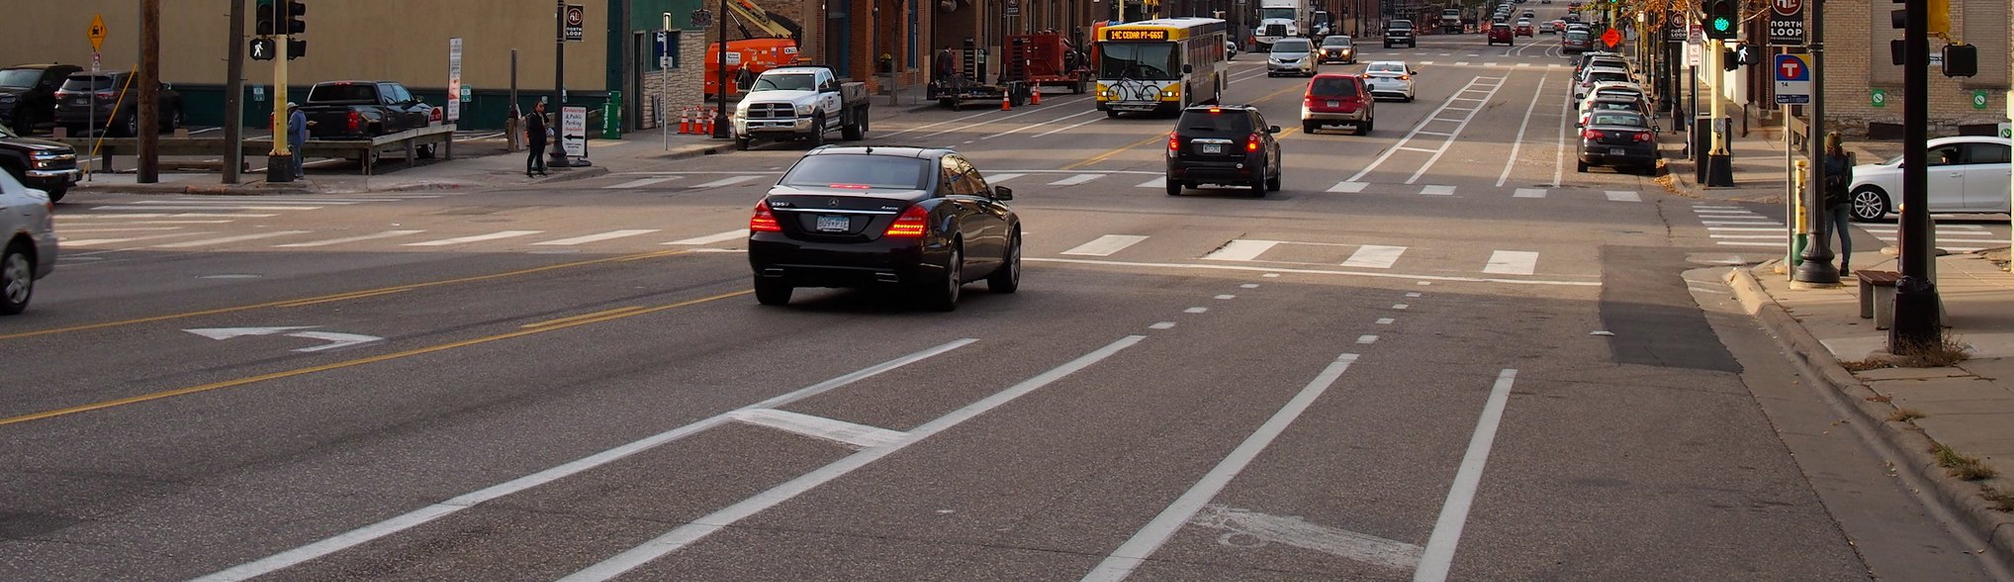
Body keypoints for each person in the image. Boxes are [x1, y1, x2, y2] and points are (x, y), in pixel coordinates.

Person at [1821, 131, 1853, 274]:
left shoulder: (1824, 159)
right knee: (1844, 232)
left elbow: (1819, 180)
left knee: (1827, 233)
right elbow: (1850, 179)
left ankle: (1826, 262)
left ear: (1827, 145)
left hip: (1828, 199)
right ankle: (1845, 265)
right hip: (1844, 199)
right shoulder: (1846, 159)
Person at [525, 101, 548, 177]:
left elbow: (547, 121)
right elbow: (531, 127)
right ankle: (528, 171)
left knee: (540, 154)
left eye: (543, 106)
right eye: (540, 106)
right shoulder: (533, 116)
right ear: (536, 107)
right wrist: (541, 126)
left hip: (542, 137)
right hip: (535, 137)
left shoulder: (543, 115)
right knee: (533, 153)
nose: (542, 108)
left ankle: (540, 169)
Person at [286, 102, 310, 179]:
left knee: (296, 158)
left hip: (295, 139)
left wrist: (285, 129)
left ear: (290, 109)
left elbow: (292, 128)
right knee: (298, 157)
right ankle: (297, 172)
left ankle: (298, 173)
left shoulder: (295, 116)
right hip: (301, 138)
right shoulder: (302, 115)